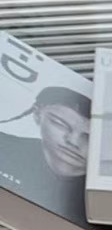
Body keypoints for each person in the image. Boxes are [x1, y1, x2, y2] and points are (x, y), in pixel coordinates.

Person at [0, 85, 91, 220]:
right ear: (37, 115)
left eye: (90, 137)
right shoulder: (5, 145)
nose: (73, 141)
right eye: (59, 123)